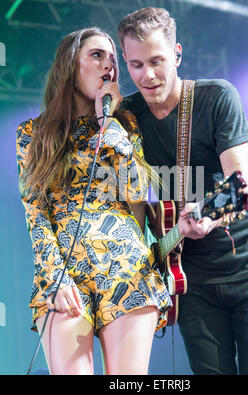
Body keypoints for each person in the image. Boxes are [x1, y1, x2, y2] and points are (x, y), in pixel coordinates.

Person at [117, 7, 248, 375]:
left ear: (177, 54)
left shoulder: (216, 98)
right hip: (191, 281)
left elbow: (239, 186)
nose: (146, 75)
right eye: (135, 65)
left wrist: (207, 217)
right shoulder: (124, 118)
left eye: (156, 61)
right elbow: (130, 211)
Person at [16, 27, 172, 375]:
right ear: (71, 65)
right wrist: (54, 276)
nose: (109, 66)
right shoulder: (32, 134)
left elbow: (135, 194)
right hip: (63, 273)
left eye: (114, 60)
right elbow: (35, 213)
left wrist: (109, 125)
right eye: (97, 55)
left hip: (127, 267)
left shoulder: (126, 126)